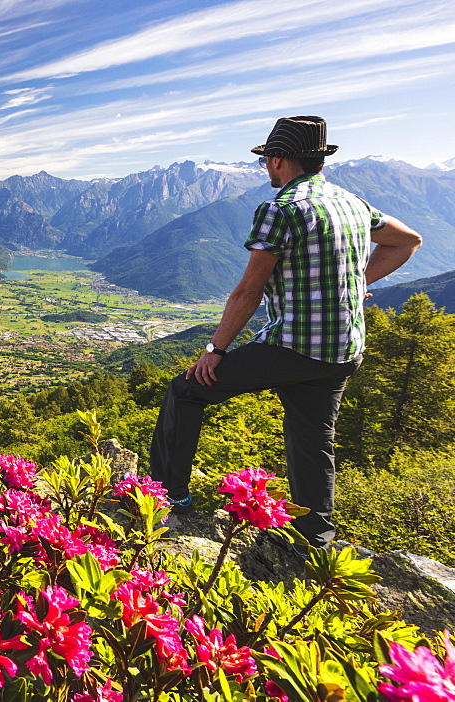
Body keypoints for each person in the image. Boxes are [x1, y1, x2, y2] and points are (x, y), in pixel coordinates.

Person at [148, 115, 422, 548]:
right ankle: (317, 540)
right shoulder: (353, 202)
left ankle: (164, 497)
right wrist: (357, 284)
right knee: (314, 442)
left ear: (277, 160)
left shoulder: (282, 208)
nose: (265, 170)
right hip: (343, 349)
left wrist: (215, 349)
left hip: (294, 346)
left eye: (265, 162)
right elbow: (408, 241)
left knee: (186, 392)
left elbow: (248, 290)